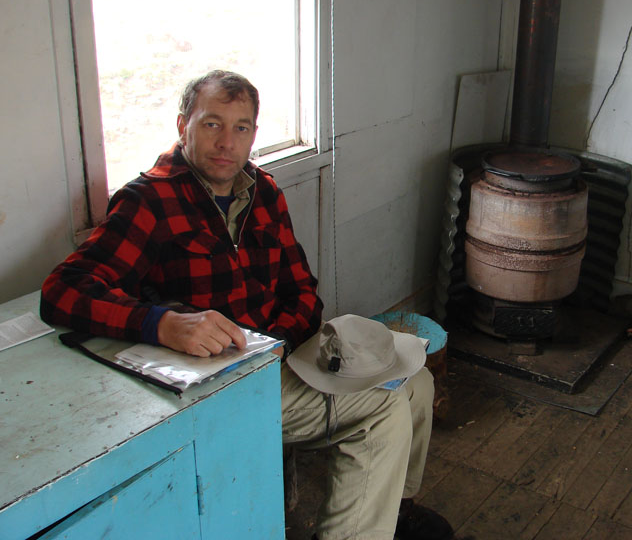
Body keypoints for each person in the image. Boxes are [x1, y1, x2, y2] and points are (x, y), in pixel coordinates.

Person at [40, 70, 454, 540]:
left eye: (241, 128)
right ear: (183, 126)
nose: (226, 143)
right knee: (384, 409)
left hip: (279, 355)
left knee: (415, 382)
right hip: (219, 381)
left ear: (253, 135)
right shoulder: (148, 201)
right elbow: (63, 290)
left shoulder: (264, 192)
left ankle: (395, 512)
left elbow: (302, 286)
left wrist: (284, 340)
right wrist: (162, 324)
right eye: (212, 124)